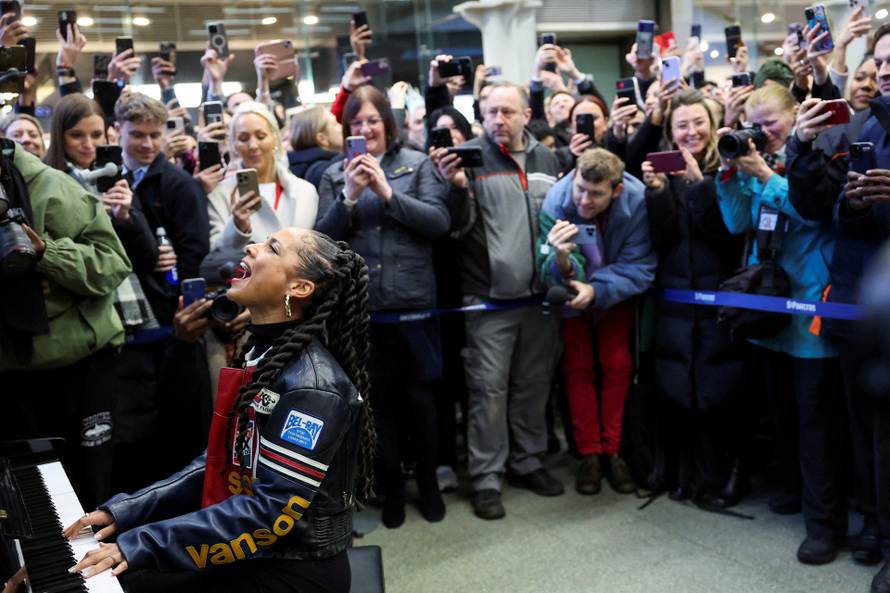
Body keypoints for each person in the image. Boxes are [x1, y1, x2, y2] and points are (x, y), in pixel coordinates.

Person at [64, 229, 375, 593]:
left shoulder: (314, 387)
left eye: (272, 248)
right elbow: (218, 462)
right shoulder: (266, 355)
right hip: (253, 547)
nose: (251, 246)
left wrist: (140, 543)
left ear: (299, 289)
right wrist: (127, 512)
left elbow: (268, 511)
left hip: (291, 569)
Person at [716, 84, 845, 565]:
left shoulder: (816, 158)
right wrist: (732, 171)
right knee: (783, 414)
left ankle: (824, 524)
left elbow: (815, 217)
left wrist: (766, 173)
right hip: (767, 307)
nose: (764, 132)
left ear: (795, 118)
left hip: (810, 306)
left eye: (772, 122)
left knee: (816, 426)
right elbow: (734, 223)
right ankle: (793, 490)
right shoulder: (754, 162)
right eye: (756, 123)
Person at [316, 84, 450, 528]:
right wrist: (350, 196)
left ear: (388, 123)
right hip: (361, 309)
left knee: (422, 402)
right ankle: (391, 488)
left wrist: (389, 194)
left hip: (414, 306)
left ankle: (427, 482)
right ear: (346, 128)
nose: (366, 129)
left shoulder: (418, 162)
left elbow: (438, 223)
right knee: (378, 406)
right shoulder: (335, 173)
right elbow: (320, 244)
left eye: (373, 120)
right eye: (357, 123)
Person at [438, 82, 563, 520]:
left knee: (533, 385)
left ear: (527, 115)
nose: (498, 120)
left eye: (508, 112)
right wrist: (453, 186)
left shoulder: (548, 158)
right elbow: (450, 229)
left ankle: (527, 461)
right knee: (487, 391)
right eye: (490, 112)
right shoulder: (469, 157)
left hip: (540, 298)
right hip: (488, 300)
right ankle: (487, 477)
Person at [0, 138, 131, 509]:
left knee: (88, 491)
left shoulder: (52, 188)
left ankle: (100, 564)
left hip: (80, 368)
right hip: (12, 374)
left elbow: (112, 263)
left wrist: (46, 252)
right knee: (29, 501)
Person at [640, 88, 747, 507]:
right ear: (670, 132)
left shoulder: (729, 165)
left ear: (713, 122)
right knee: (679, 389)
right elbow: (662, 239)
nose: (691, 132)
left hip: (721, 297)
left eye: (698, 122)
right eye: (681, 125)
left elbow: (726, 237)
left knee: (720, 390)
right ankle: (687, 474)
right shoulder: (664, 173)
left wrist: (701, 186)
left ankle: (723, 476)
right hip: (676, 302)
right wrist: (657, 193)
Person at [538, 147, 656, 495]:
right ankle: (589, 453)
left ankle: (614, 449)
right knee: (577, 368)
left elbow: (641, 265)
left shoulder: (636, 202)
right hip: (572, 290)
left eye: (596, 193)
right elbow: (544, 266)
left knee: (617, 364)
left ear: (616, 190)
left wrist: (598, 291)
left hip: (615, 292)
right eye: (581, 189)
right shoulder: (556, 202)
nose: (585, 201)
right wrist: (561, 260)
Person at [114, 91, 210, 324]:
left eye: (155, 135)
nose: (148, 144)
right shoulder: (107, 178)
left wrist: (180, 302)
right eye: (137, 135)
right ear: (118, 130)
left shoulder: (181, 185)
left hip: (166, 307)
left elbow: (194, 252)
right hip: (120, 303)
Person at [207, 102, 319, 250]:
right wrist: (238, 228)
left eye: (261, 136)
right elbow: (215, 252)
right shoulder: (220, 193)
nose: (253, 145)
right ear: (234, 145)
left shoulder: (305, 191)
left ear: (275, 139)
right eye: (243, 138)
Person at [287, 105, 344, 189]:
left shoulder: (295, 167)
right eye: (335, 124)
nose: (341, 127)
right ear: (322, 139)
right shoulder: (324, 171)